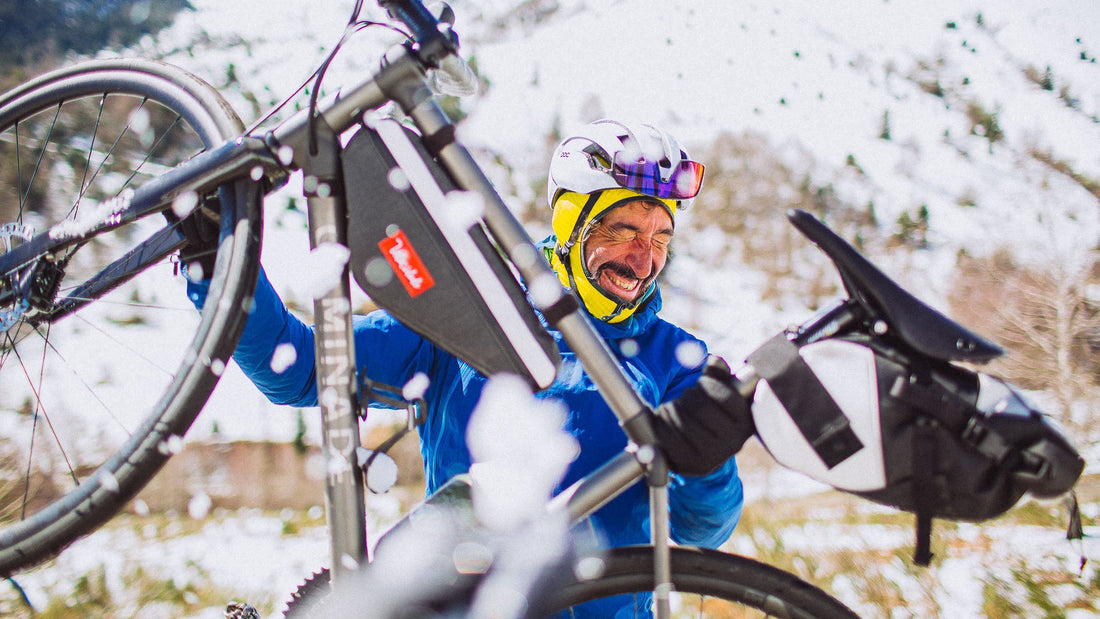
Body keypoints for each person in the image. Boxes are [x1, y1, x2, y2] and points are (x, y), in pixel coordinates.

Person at [183, 118, 754, 615]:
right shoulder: (471, 315)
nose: (643, 256)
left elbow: (704, 527)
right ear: (571, 222)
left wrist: (709, 461)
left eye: (660, 237)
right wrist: (221, 262)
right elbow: (298, 368)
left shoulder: (676, 365)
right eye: (622, 230)